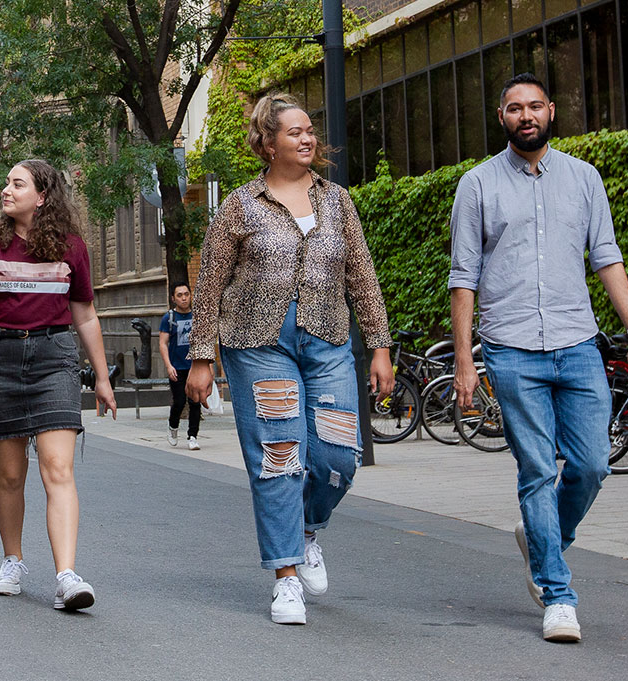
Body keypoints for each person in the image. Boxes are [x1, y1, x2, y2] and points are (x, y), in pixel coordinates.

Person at [449, 73, 628, 643]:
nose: (526, 115)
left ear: (552, 111)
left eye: (535, 106)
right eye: (515, 108)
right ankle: (557, 595)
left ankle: (542, 541)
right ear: (502, 117)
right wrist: (465, 359)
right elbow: (463, 277)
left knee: (591, 465)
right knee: (537, 469)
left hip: (577, 342)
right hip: (511, 348)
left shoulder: (585, 178)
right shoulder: (478, 184)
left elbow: (606, 256)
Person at [187, 92, 393, 626]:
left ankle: (306, 530)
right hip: (259, 344)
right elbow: (210, 285)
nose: (307, 138)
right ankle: (285, 578)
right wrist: (202, 357)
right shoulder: (240, 205)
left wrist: (380, 346)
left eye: (309, 130)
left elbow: (362, 275)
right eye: (294, 132)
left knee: (338, 456)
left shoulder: (337, 201)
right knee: (279, 454)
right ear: (268, 143)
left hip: (328, 339)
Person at [0, 159, 119, 611]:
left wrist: (102, 378)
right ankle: (12, 560)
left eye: (18, 184)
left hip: (55, 360)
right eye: (6, 183)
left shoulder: (71, 247)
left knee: (58, 469)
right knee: (11, 475)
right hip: (1, 359)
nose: (6, 190)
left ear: (43, 195)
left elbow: (84, 315)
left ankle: (66, 576)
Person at [159, 285, 201, 450]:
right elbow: (163, 343)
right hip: (177, 367)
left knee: (195, 401)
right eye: (179, 295)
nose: (184, 298)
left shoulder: (197, 316)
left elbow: (204, 341)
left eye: (186, 294)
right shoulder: (169, 318)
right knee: (179, 401)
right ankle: (173, 426)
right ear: (173, 298)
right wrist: (168, 366)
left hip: (194, 366)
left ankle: (193, 436)